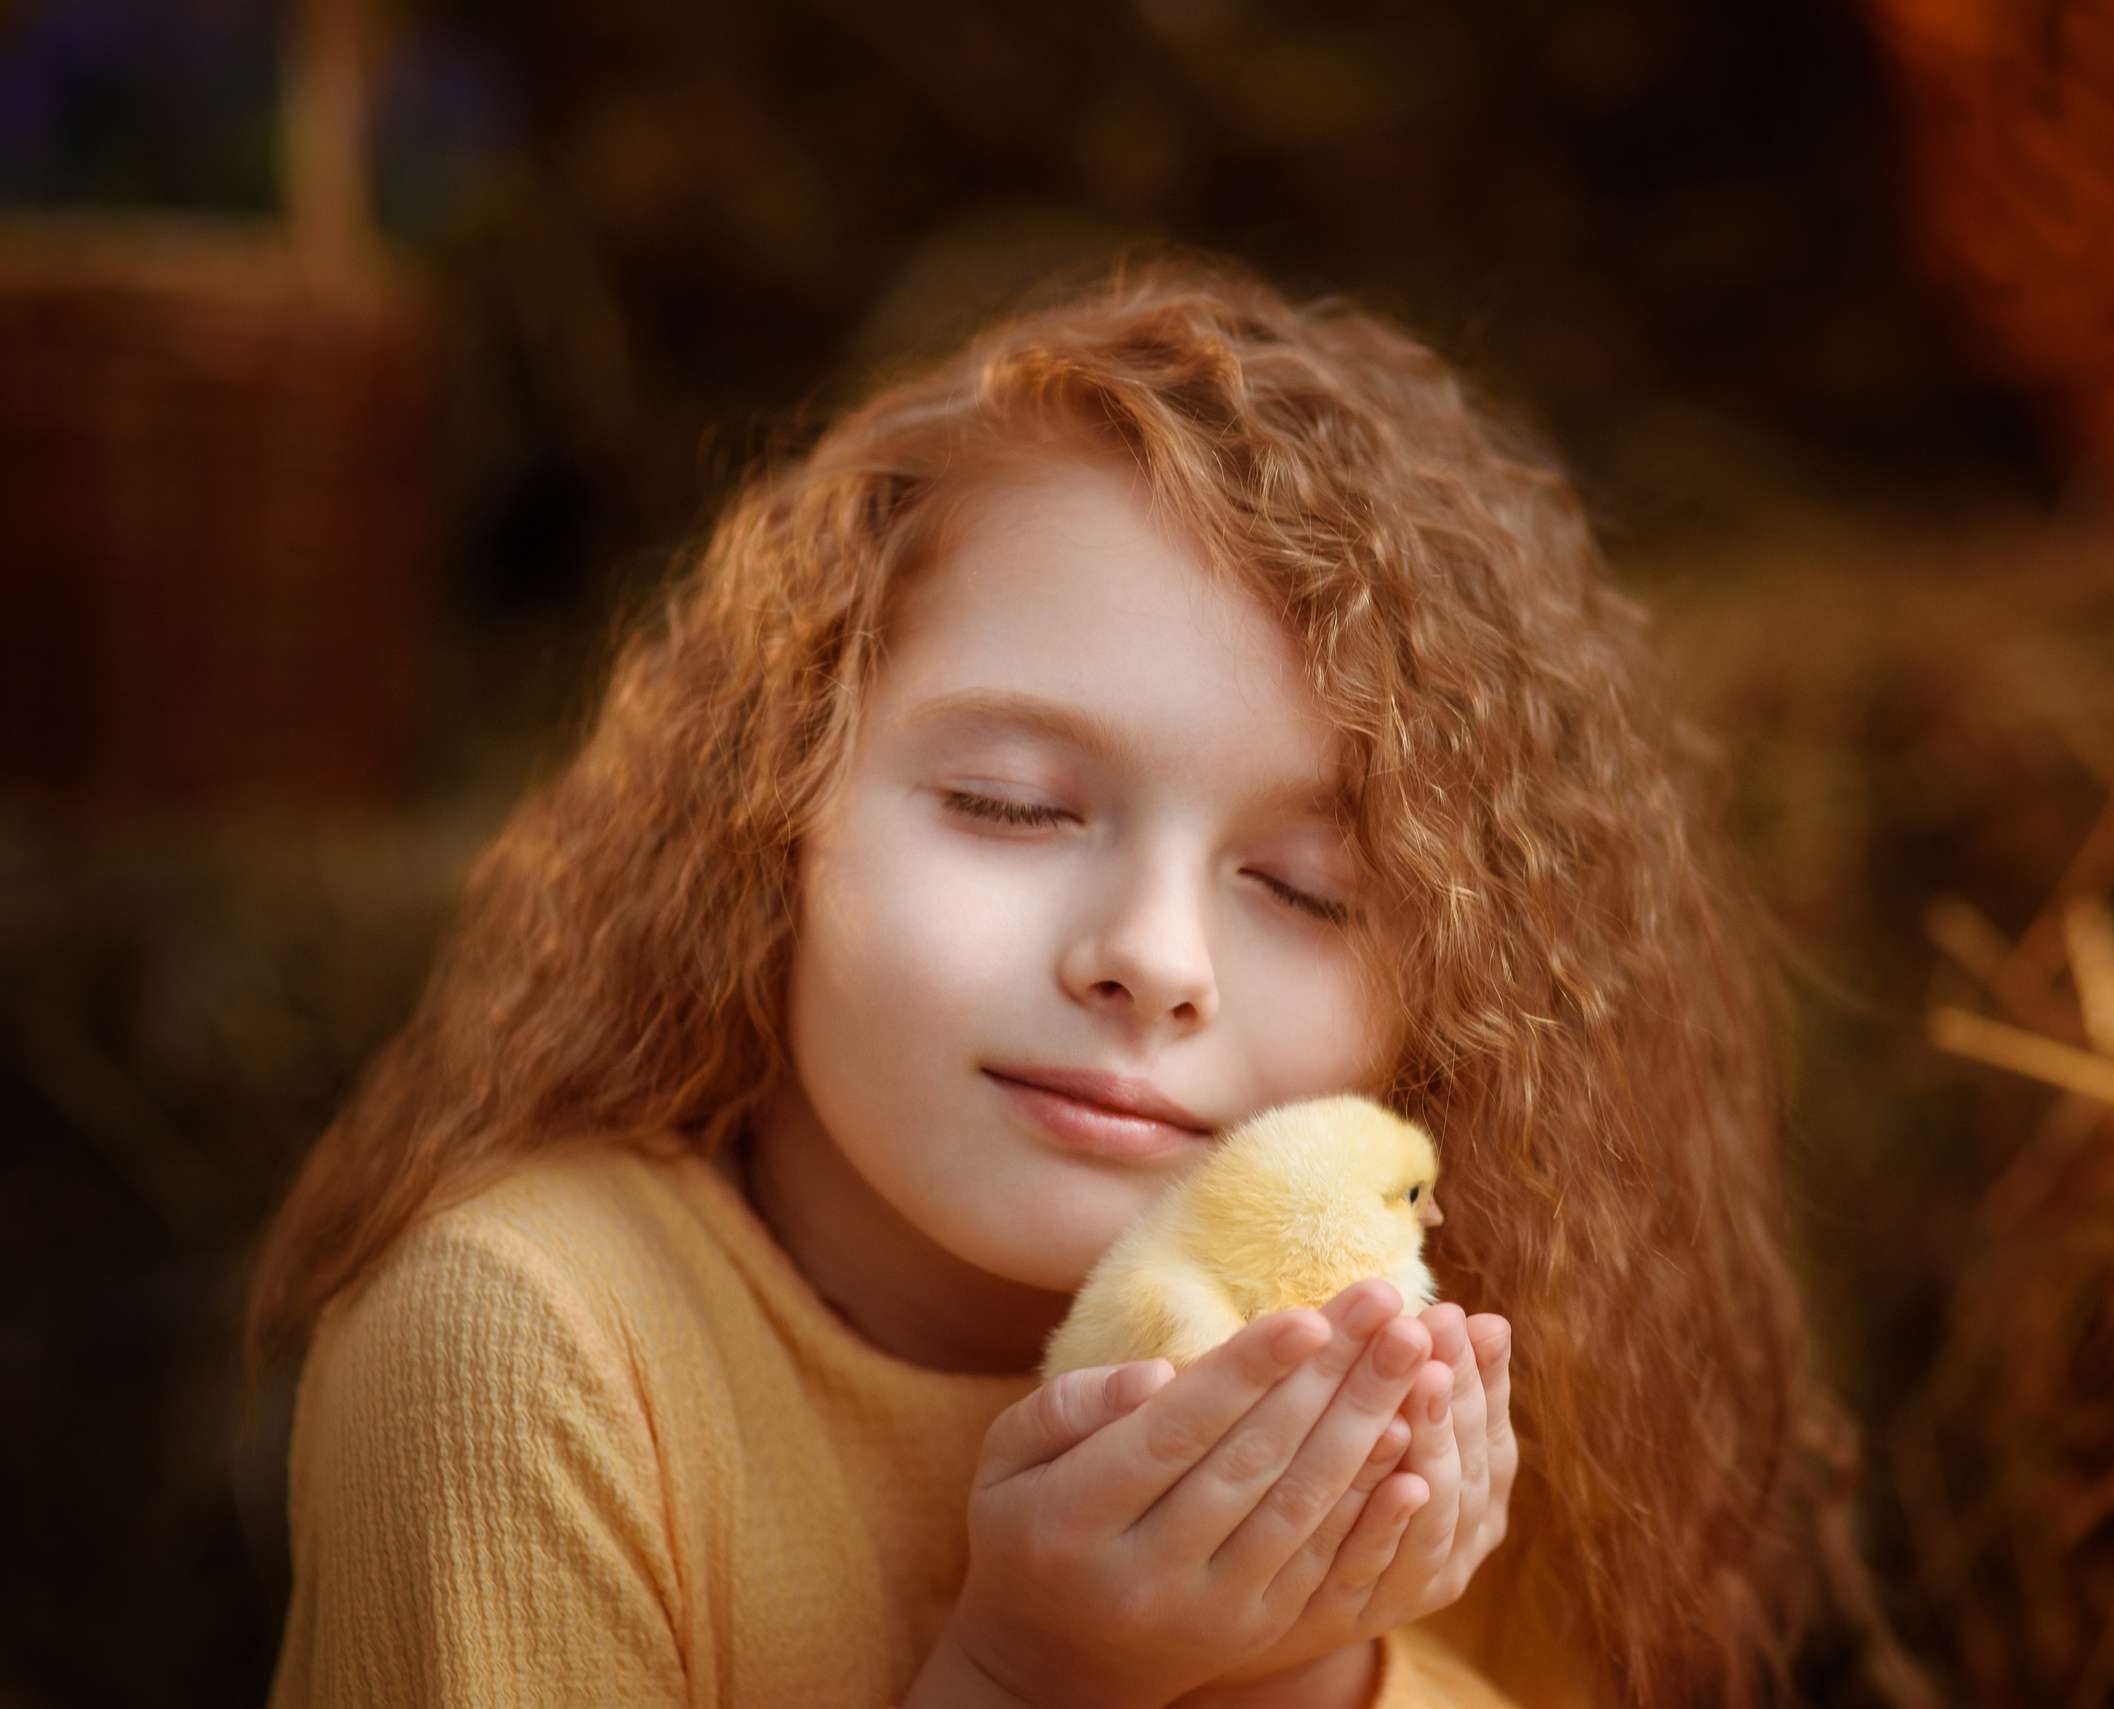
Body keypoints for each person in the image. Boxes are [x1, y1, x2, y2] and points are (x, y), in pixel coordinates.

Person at [247, 264, 1840, 1708]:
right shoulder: (523, 1347)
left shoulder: (1431, 1392)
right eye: (1012, 802)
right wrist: (1034, 1678)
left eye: (1308, 889)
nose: (1152, 957)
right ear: (772, 801)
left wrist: (1302, 1665)